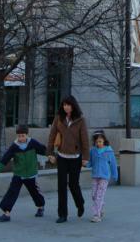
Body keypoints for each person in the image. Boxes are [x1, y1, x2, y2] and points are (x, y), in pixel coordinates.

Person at [0, 124, 47, 222]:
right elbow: (5, 159)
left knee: (35, 192)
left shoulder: (33, 143)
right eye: (19, 136)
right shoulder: (14, 146)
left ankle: (40, 207)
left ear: (27, 135)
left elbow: (43, 150)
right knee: (12, 192)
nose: (21, 138)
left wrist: (51, 155)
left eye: (23, 136)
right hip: (18, 174)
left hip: (31, 174)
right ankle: (6, 213)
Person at [47, 95, 90, 223]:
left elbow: (85, 139)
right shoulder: (58, 118)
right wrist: (50, 152)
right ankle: (62, 214)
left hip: (75, 158)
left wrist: (85, 157)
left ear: (73, 106)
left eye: (68, 105)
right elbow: (52, 135)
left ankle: (80, 203)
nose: (66, 107)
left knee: (73, 184)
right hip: (62, 157)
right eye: (64, 105)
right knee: (61, 186)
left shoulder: (80, 120)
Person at [88, 130, 118, 223]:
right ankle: (100, 207)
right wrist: (85, 164)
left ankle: (96, 215)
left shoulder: (109, 151)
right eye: (96, 142)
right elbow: (90, 162)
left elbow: (113, 164)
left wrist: (115, 175)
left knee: (99, 196)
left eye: (100, 141)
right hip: (95, 176)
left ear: (104, 140)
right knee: (94, 195)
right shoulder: (92, 150)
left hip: (104, 177)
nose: (98, 143)